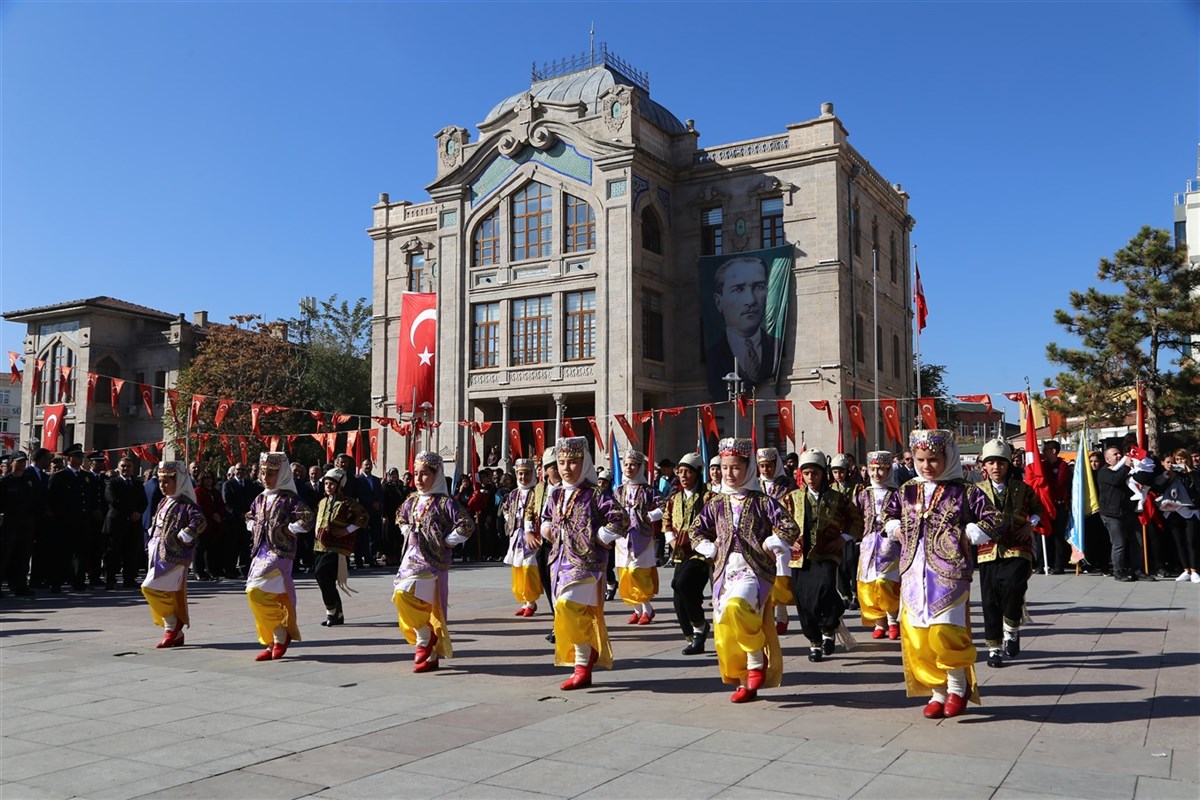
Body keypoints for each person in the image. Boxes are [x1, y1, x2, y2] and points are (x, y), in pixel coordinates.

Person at [880, 429, 999, 719]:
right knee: (918, 634)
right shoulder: (907, 489)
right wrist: (893, 527)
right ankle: (937, 690)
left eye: (933, 459)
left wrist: (971, 533)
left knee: (945, 631)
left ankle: (958, 687)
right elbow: (886, 513)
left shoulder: (965, 491)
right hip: (911, 570)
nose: (926, 466)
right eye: (920, 460)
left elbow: (994, 520)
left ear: (948, 458)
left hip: (949, 572)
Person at [691, 438, 800, 703]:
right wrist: (708, 547)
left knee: (737, 607)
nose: (729, 474)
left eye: (736, 468)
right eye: (725, 468)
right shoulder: (716, 502)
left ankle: (755, 658)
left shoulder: (762, 501)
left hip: (755, 570)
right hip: (723, 572)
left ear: (748, 468)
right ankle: (744, 682)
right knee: (725, 626)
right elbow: (696, 531)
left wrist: (771, 541)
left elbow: (790, 527)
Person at [538, 437, 629, 690]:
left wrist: (600, 536)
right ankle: (582, 665)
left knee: (568, 606)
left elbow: (620, 518)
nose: (567, 468)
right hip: (559, 561)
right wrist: (547, 529)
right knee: (564, 611)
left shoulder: (595, 494)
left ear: (585, 462)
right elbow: (546, 518)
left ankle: (584, 659)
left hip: (587, 564)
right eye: (562, 463)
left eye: (573, 462)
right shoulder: (555, 494)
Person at [392, 451, 475, 673]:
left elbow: (466, 525)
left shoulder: (445, 502)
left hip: (432, 563)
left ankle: (425, 641)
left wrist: (448, 541)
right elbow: (400, 516)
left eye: (425, 474)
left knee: (412, 596)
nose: (419, 479)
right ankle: (428, 645)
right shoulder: (412, 499)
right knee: (403, 596)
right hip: (410, 558)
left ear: (436, 475)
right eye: (416, 474)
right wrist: (406, 531)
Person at [783, 450, 862, 662]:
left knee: (825, 589)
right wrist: (780, 540)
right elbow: (779, 521)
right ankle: (815, 642)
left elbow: (856, 521)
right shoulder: (792, 498)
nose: (811, 478)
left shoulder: (838, 498)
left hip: (827, 554)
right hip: (800, 557)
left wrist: (844, 537)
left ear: (823, 474)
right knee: (804, 601)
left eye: (815, 473)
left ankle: (829, 626)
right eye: (806, 473)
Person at [974, 439, 1043, 668]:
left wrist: (1029, 525)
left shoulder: (1021, 488)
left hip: (1017, 548)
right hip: (987, 551)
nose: (996, 468)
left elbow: (1038, 509)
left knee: (1014, 588)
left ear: (1008, 464)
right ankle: (994, 648)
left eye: (1001, 463)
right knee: (990, 601)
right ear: (984, 465)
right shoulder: (976, 491)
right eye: (991, 463)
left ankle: (1011, 629)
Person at [245, 452, 314, 662]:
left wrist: (291, 528)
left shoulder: (289, 498)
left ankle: (279, 634)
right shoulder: (260, 498)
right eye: (263, 473)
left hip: (280, 552)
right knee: (257, 593)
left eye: (271, 473)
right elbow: (250, 515)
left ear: (282, 473)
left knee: (256, 589)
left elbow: (307, 518)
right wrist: (251, 524)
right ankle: (274, 637)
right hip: (260, 551)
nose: (266, 477)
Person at [141, 462, 206, 648]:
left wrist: (185, 533)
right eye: (160, 481)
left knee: (150, 587)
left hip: (175, 554)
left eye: (167, 481)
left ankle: (173, 623)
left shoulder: (185, 503)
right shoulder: (164, 501)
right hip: (157, 552)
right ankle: (173, 632)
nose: (162, 485)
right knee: (163, 591)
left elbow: (200, 521)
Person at [705, 256, 779, 398]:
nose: (750, 300)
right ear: (718, 301)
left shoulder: (778, 346)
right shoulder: (712, 354)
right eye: (738, 289)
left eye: (759, 287)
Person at [663, 452, 714, 655]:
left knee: (681, 583)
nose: (683, 476)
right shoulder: (674, 499)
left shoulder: (709, 497)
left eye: (688, 472)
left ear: (697, 474)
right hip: (680, 553)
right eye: (680, 472)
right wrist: (673, 540)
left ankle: (700, 627)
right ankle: (695, 635)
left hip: (701, 553)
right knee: (680, 598)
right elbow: (667, 523)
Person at [855, 451, 901, 641]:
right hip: (868, 544)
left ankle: (892, 621)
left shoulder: (897, 493)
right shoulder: (863, 494)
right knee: (869, 583)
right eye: (873, 469)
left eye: (882, 469)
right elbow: (855, 516)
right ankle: (879, 623)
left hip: (889, 544)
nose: (877, 474)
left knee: (885, 582)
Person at [314, 467, 368, 626]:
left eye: (331, 484)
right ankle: (335, 613)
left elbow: (364, 517)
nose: (328, 487)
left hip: (336, 547)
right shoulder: (322, 501)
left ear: (339, 486)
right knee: (324, 580)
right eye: (326, 484)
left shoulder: (347, 502)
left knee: (322, 573)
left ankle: (333, 612)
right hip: (319, 546)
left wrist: (347, 530)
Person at [613, 450, 662, 624]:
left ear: (640, 467)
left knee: (638, 572)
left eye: (633, 465)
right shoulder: (618, 491)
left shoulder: (648, 490)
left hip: (642, 537)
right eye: (626, 464)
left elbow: (664, 507)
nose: (629, 468)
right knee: (625, 573)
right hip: (622, 538)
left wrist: (651, 516)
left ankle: (647, 609)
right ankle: (637, 609)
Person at [502, 459, 542, 617]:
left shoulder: (537, 493)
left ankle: (531, 601)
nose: (523, 477)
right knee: (517, 567)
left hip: (531, 536)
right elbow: (505, 508)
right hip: (516, 535)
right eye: (520, 473)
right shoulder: (513, 494)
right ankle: (525, 601)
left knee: (529, 567)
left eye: (526, 473)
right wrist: (509, 518)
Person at [103, 457, 149, 589]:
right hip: (116, 523)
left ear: (133, 468)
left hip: (133, 524)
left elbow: (143, 502)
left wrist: (138, 513)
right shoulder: (112, 483)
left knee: (131, 552)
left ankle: (129, 579)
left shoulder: (138, 484)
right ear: (118, 468)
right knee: (112, 553)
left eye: (128, 466)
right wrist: (130, 513)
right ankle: (110, 579)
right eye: (123, 466)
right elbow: (113, 500)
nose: (126, 468)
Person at [1097, 446, 1139, 582]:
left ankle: (1137, 569)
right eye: (1115, 454)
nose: (1119, 456)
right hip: (1111, 514)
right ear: (1107, 459)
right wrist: (1126, 468)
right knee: (1118, 543)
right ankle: (1118, 571)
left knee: (1135, 541)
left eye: (1120, 453)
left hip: (1125, 511)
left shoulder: (1122, 471)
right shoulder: (1104, 472)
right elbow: (1116, 480)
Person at [0, 451, 38, 597]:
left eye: (23, 461)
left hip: (26, 524)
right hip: (9, 524)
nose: (22, 464)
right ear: (11, 463)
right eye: (19, 461)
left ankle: (21, 586)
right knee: (5, 556)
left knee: (23, 556)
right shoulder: (4, 482)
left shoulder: (29, 481)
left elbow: (34, 501)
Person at [1157, 449, 1198, 583]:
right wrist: (1169, 476)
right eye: (1177, 460)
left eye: (1183, 459)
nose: (1180, 462)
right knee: (1179, 542)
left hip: (1190, 511)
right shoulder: (1172, 474)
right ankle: (1185, 569)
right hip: (1173, 511)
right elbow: (1158, 487)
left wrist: (1189, 472)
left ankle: (1194, 569)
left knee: (1191, 541)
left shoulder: (1194, 473)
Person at [1040, 441, 1073, 574]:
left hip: (1059, 505)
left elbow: (1058, 483)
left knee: (1058, 536)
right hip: (1046, 505)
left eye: (1046, 450)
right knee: (1046, 534)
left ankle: (1059, 565)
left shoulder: (1062, 466)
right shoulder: (1043, 465)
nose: (1044, 452)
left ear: (1053, 451)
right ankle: (1045, 563)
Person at [193, 472, 224, 581]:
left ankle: (211, 571)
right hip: (203, 524)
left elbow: (221, 504)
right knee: (200, 548)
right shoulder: (198, 491)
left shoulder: (214, 492)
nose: (208, 480)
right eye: (205, 478)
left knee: (211, 549)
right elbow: (199, 506)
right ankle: (198, 571)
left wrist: (219, 514)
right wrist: (212, 514)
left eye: (210, 478)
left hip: (215, 525)